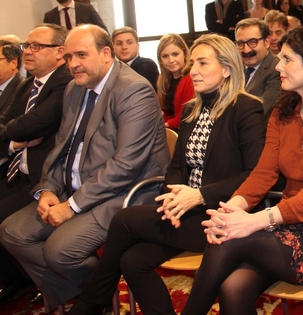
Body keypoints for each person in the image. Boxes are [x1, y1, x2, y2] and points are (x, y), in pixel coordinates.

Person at [67, 34, 266, 315]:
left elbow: (255, 174)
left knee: (124, 219)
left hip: (222, 216)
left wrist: (198, 196)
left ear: (226, 69)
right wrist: (174, 197)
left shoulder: (245, 108)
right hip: (185, 211)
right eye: (192, 63)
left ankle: (90, 303)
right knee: (132, 260)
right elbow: (175, 168)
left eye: (202, 63)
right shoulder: (190, 110)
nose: (193, 70)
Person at [176, 25, 303, 315]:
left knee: (227, 242)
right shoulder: (284, 112)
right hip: (286, 221)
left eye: (287, 59)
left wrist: (252, 222)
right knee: (233, 287)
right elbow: (263, 174)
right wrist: (232, 210)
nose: (278, 65)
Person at [0, 24, 170, 311]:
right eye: (68, 57)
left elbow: (126, 165)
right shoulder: (74, 88)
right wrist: (47, 190)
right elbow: (61, 147)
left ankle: (91, 298)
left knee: (60, 251)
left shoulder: (134, 89)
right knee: (12, 232)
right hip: (74, 188)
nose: (73, 64)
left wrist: (72, 206)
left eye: (81, 55)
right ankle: (91, 294)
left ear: (106, 53)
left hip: (123, 194)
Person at [0, 28, 69, 302]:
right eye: (27, 45)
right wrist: (16, 137)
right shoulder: (29, 84)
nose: (27, 51)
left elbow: (31, 124)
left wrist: (16, 131)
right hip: (18, 172)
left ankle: (57, 280)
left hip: (47, 181)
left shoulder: (64, 82)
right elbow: (11, 126)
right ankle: (20, 276)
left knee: (6, 223)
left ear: (58, 52)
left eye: (36, 46)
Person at [235, 19, 282, 117]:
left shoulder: (276, 70)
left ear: (267, 42)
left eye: (252, 42)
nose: (246, 50)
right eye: (240, 43)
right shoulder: (234, 68)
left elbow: (262, 111)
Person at [157, 34, 194, 131]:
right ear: (160, 60)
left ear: (185, 54)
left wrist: (165, 125)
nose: (171, 60)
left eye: (175, 54)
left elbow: (186, 115)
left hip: (184, 130)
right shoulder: (163, 80)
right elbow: (160, 111)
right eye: (165, 56)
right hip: (168, 130)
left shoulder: (192, 78)